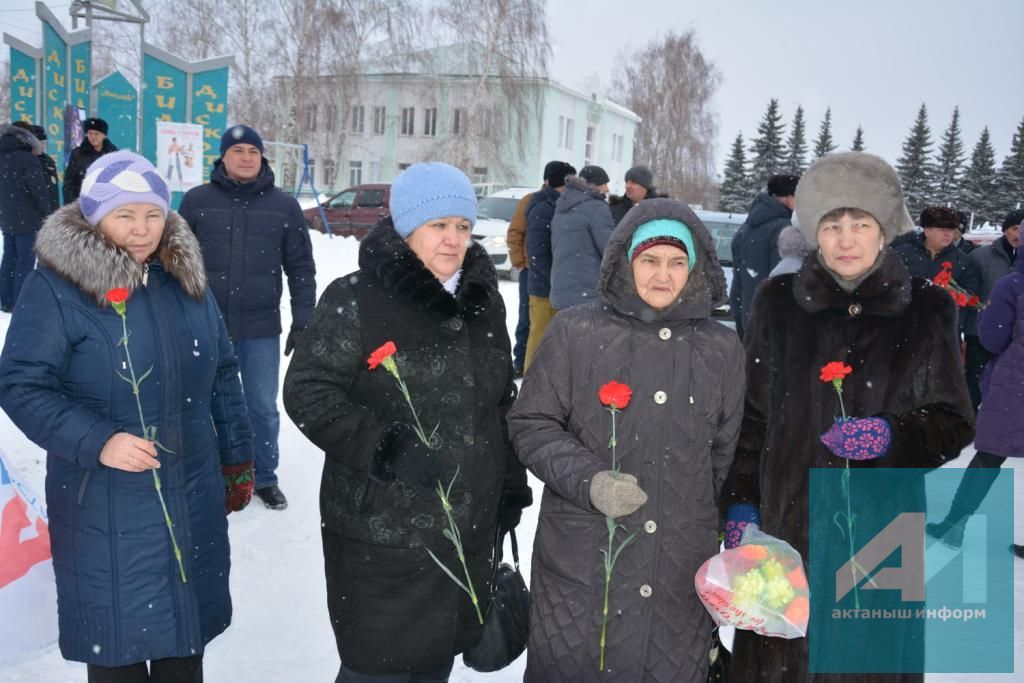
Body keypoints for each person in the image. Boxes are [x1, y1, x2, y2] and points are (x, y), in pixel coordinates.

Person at [0, 151, 253, 683]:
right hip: (105, 505)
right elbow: (20, 383)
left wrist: (236, 460)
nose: (142, 230)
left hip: (191, 491)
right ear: (94, 217)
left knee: (184, 650)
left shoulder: (184, 279)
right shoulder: (57, 287)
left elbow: (224, 372)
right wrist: (100, 440)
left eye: (153, 214)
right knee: (116, 650)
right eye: (124, 215)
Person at [720, 152, 974, 680]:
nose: (846, 239)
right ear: (815, 233)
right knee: (780, 658)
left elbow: (953, 420)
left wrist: (892, 435)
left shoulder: (928, 309)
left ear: (883, 233)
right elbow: (752, 418)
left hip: (882, 528)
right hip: (785, 527)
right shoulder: (778, 302)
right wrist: (742, 502)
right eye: (833, 225)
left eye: (861, 224)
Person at [282, 162, 532, 682]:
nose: (453, 240)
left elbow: (497, 402)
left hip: (464, 528)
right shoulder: (356, 298)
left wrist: (508, 481)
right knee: (378, 669)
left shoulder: (484, 303)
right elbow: (307, 392)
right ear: (405, 227)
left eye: (462, 227)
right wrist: (388, 448)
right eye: (438, 226)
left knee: (433, 665)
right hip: (383, 533)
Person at [508, 198, 744, 680]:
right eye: (650, 260)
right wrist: (590, 480)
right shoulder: (576, 331)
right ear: (625, 261)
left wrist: (712, 523)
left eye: (678, 262)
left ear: (696, 268)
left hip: (678, 563)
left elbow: (725, 452)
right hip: (585, 560)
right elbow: (530, 422)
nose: (663, 275)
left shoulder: (722, 349)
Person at [179, 124, 317, 510]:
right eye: (237, 150)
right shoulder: (197, 201)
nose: (245, 157)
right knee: (204, 402)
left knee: (260, 406)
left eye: (252, 151)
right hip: (205, 325)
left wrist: (304, 318)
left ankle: (264, 477)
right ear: (222, 157)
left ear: (262, 158)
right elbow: (173, 261)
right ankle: (210, 472)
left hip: (260, 328)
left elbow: (301, 266)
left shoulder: (283, 205)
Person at [928, 230, 1024, 551]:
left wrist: (989, 315)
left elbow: (992, 338)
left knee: (988, 458)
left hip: (1016, 381)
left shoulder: (1012, 285)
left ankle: (955, 526)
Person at [729, 173, 799, 338]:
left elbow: (739, 274)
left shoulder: (747, 226)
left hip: (745, 317)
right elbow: (783, 281)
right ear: (790, 199)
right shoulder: (785, 230)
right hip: (773, 322)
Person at [963, 209, 1020, 410]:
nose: (1019, 233)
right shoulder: (980, 256)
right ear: (1005, 230)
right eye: (1015, 228)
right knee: (974, 382)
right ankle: (969, 423)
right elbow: (967, 291)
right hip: (979, 332)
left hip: (1015, 337)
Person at [524, 160, 574, 370]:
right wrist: (556, 280)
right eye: (570, 181)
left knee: (555, 345)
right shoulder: (544, 208)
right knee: (539, 342)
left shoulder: (559, 206)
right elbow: (537, 253)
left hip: (556, 288)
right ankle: (529, 389)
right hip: (544, 290)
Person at [0, 122, 53, 312]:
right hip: (28, 218)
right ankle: (21, 300)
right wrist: (48, 214)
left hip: (7, 216)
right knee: (26, 260)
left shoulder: (3, 157)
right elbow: (38, 192)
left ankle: (5, 298)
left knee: (9, 258)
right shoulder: (28, 159)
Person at [549, 165, 615, 310]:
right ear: (594, 185)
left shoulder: (562, 207)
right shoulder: (597, 207)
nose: (607, 189)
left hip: (561, 290)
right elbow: (610, 250)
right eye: (605, 184)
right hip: (587, 293)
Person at [506, 185, 536, 378]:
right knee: (526, 316)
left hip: (551, 270)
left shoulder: (564, 201)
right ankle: (520, 360)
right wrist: (519, 260)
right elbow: (515, 232)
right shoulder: (530, 200)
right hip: (529, 268)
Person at [63, 117, 117, 204]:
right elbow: (69, 183)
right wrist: (73, 204)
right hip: (83, 203)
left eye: (96, 134)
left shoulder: (113, 155)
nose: (93, 137)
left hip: (107, 203)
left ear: (104, 135)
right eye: (90, 133)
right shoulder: (78, 154)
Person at [28, 123, 59, 208]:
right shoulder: (25, 161)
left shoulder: (48, 161)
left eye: (44, 142)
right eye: (40, 143)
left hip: (50, 211)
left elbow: (54, 191)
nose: (42, 146)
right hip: (33, 211)